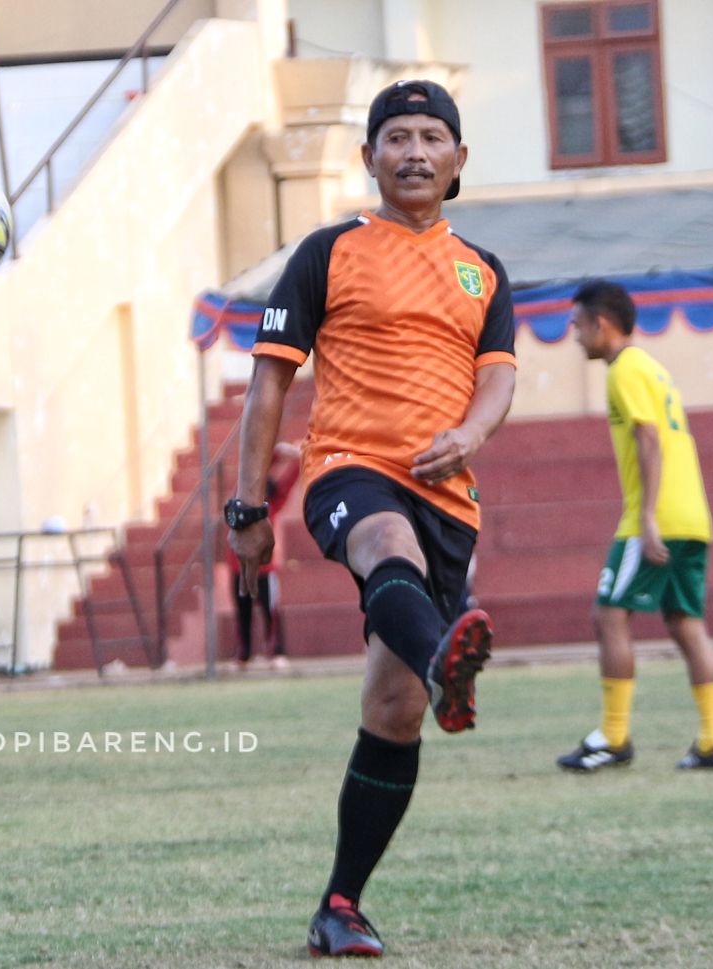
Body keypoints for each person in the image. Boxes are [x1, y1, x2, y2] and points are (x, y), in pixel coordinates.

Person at [225, 79, 517, 957]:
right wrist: (246, 508)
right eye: (396, 137)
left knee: (393, 714)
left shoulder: (485, 271)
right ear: (369, 158)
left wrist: (468, 431)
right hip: (350, 472)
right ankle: (443, 654)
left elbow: (499, 376)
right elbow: (269, 381)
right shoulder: (325, 252)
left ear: (459, 161)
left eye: (433, 136)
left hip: (449, 501)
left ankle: (340, 904)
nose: (415, 151)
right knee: (383, 540)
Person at [556, 280, 713, 772]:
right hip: (694, 517)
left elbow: (648, 438)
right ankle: (712, 743)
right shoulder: (653, 367)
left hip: (656, 518)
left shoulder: (624, 370)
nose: (574, 334)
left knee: (609, 614)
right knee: (686, 623)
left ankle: (613, 737)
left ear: (600, 324)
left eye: (577, 324)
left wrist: (648, 517)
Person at [224, 441, 300, 671]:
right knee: (243, 611)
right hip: (238, 567)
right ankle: (243, 654)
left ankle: (276, 652)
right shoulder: (240, 497)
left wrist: (295, 457)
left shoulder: (274, 501)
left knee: (271, 611)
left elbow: (288, 481)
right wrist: (275, 455)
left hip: (265, 569)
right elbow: (258, 466)